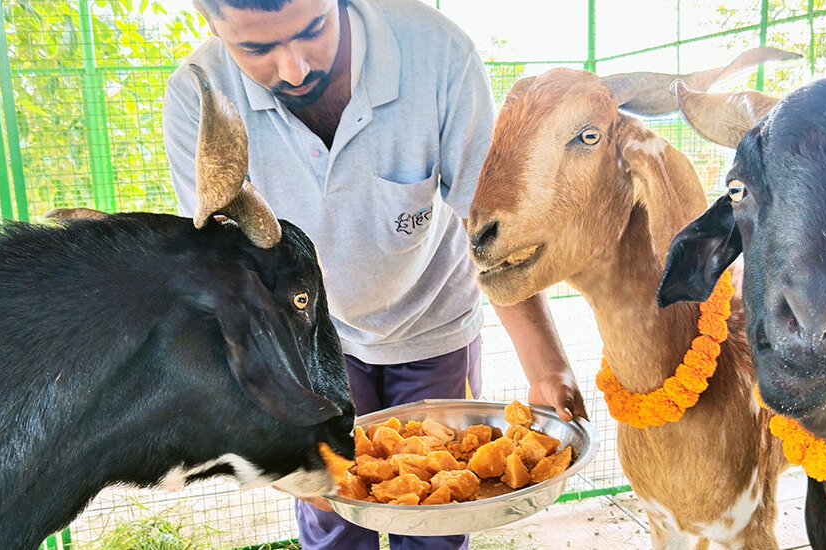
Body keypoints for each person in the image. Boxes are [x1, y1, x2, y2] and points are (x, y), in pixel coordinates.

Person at [162, 0, 587, 547]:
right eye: (256, 48)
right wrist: (262, 422)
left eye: (313, 30)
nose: (294, 69)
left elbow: (486, 225)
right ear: (211, 24)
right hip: (307, 338)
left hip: (433, 322)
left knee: (441, 504)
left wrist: (545, 363)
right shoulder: (195, 98)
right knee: (332, 515)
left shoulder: (437, 53)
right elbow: (223, 271)